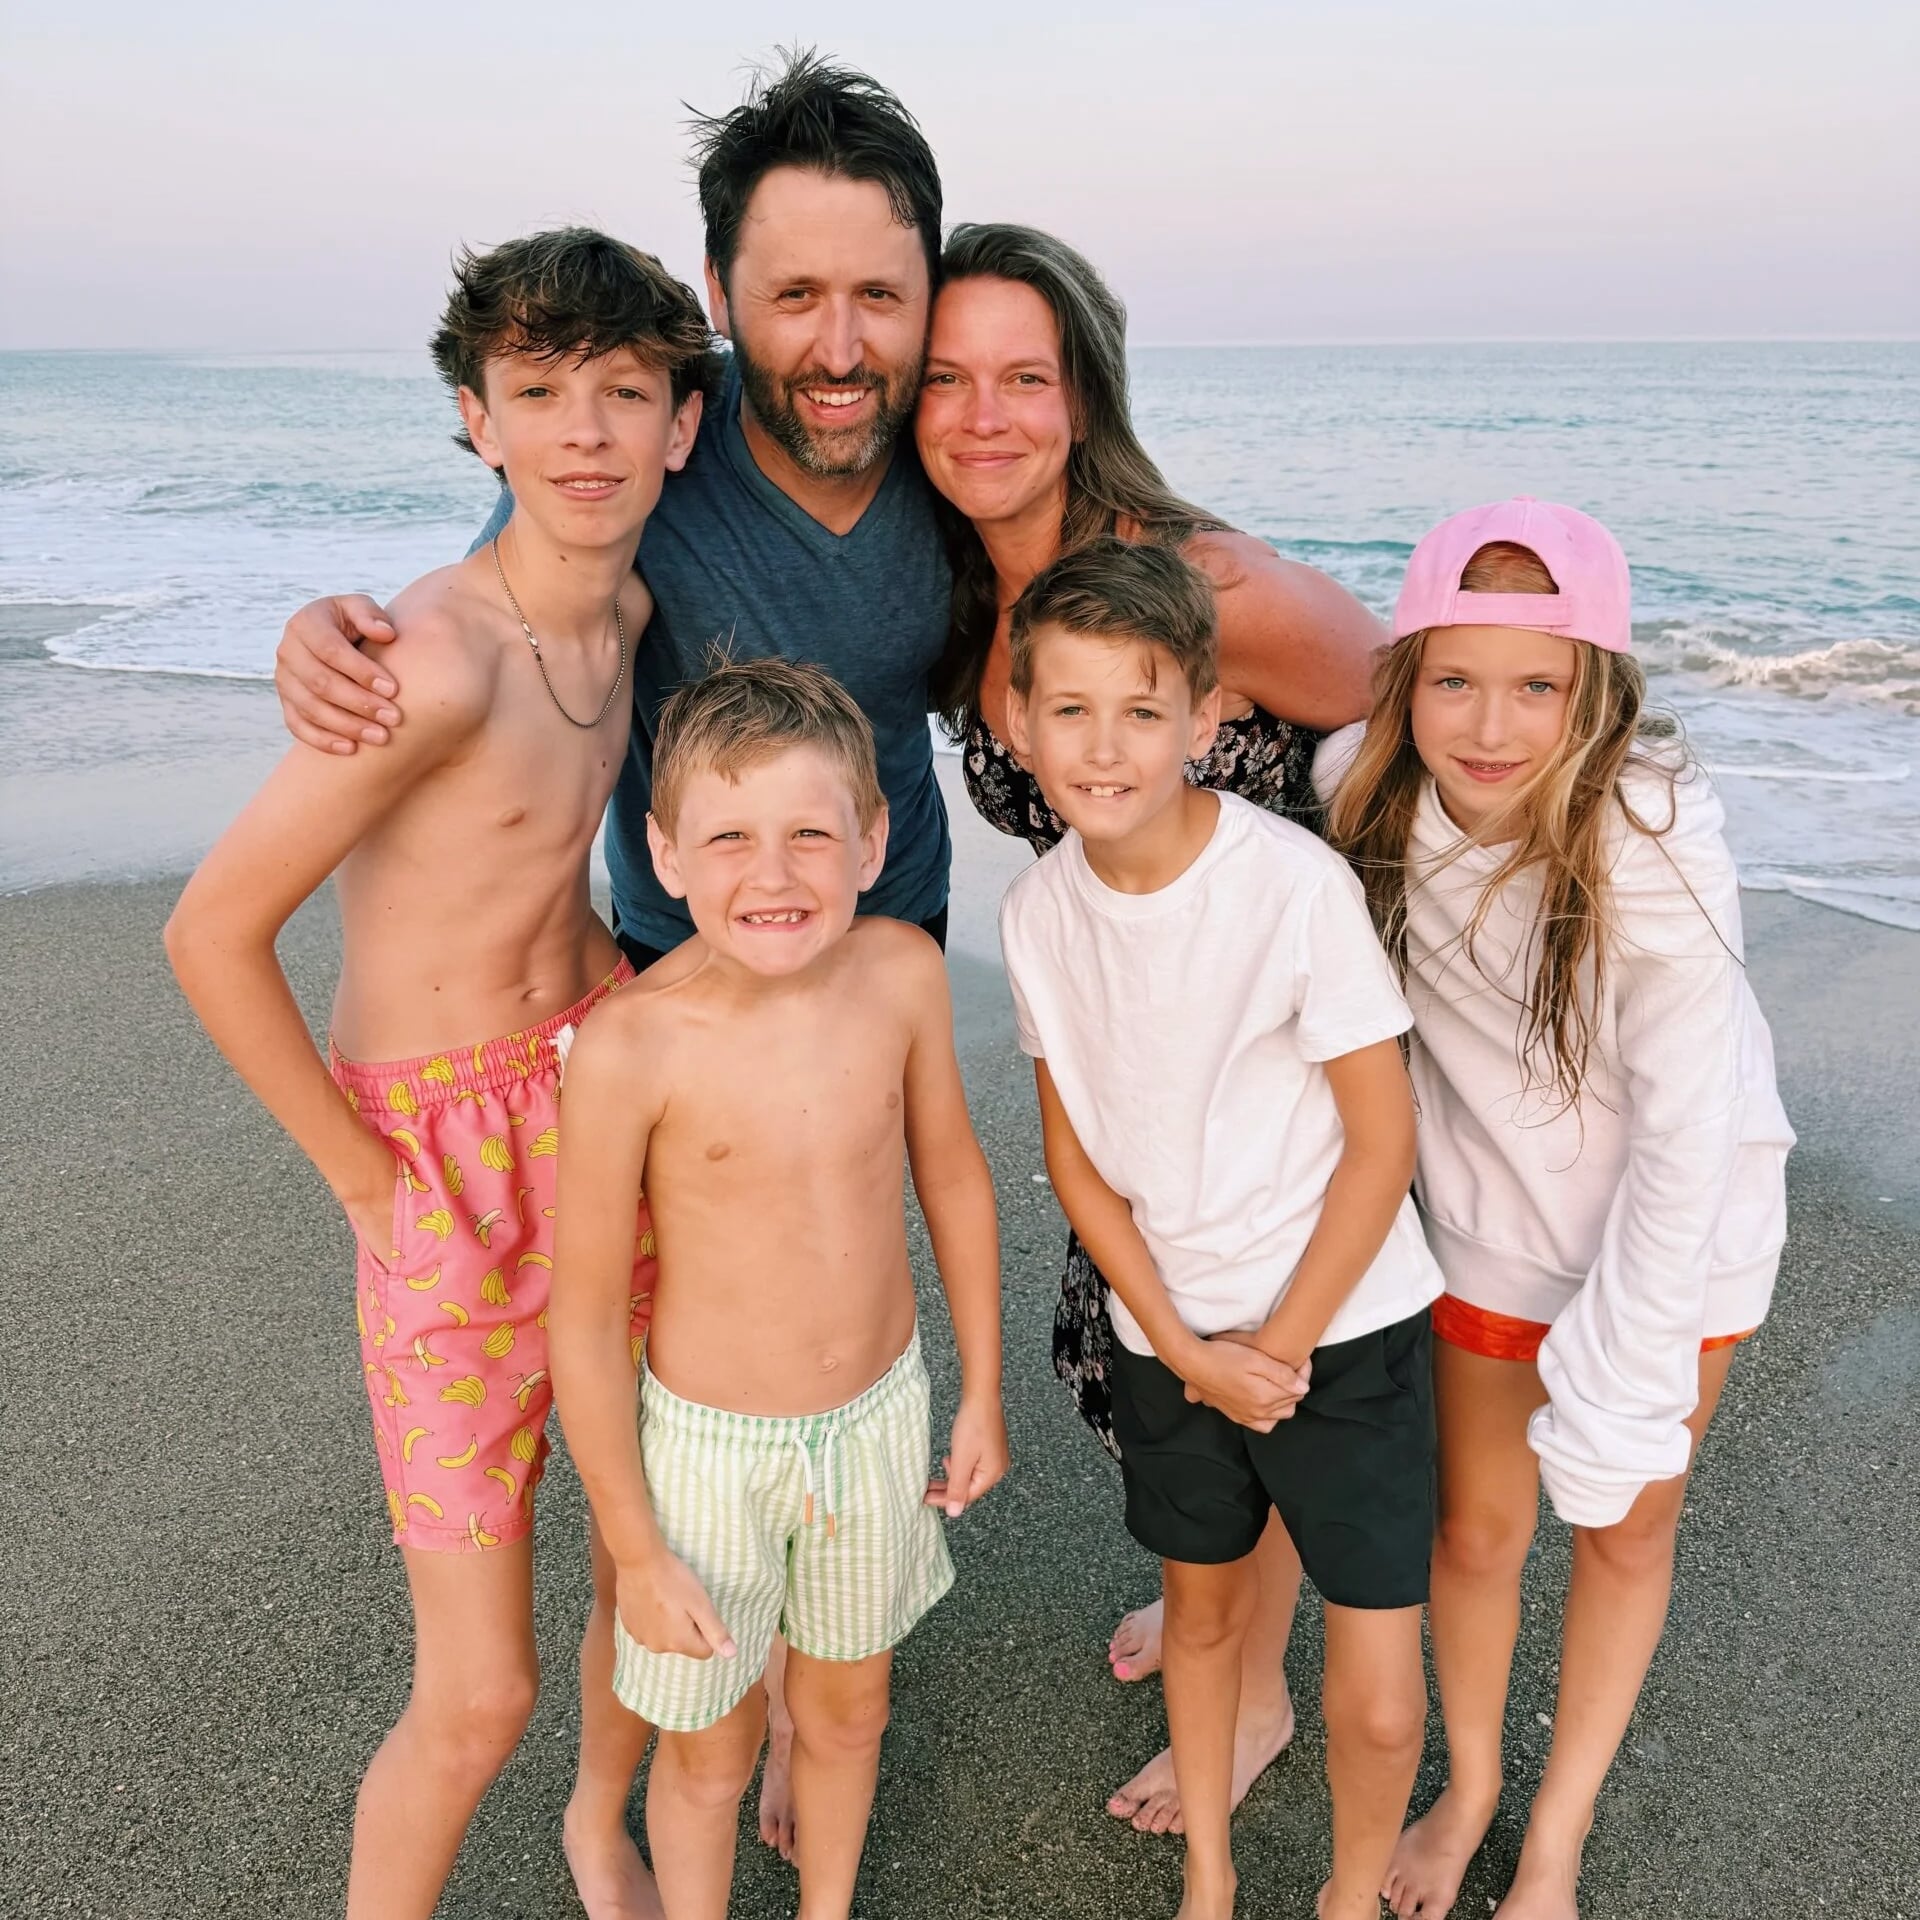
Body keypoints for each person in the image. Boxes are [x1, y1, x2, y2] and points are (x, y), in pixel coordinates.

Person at [269, 48, 954, 1859]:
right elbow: (228, 914)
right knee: (491, 1660)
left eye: (877, 295)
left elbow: (1100, 535)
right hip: (515, 1091)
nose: (838, 341)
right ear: (723, 307)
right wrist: (363, 1178)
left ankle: (655, 1782)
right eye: (791, 296)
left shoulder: (915, 456)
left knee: (704, 1442)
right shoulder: (525, 580)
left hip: (671, 1024)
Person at [164, 230, 710, 1920]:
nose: (586, 430)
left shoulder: (630, 611)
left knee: (647, 1549)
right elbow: (210, 933)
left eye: (625, 391)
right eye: (537, 393)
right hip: (437, 1165)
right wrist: (364, 1181)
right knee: (478, 1694)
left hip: (600, 1091)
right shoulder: (433, 659)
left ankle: (601, 1827)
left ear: (684, 423)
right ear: (477, 421)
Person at [918, 220, 1387, 1831]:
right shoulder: (961, 591)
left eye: (1026, 377)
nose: (985, 414)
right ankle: (1211, 1589)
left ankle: (1247, 1691)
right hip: (1126, 1020)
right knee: (1143, 1339)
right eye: (947, 378)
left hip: (1268, 1041)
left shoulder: (1203, 584)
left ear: (1086, 392)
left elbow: (1424, 697)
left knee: (1251, 1328)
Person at [1315, 499, 1794, 1920]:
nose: (1490, 726)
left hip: (1688, 1222)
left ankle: (1556, 1839)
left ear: (1597, 693)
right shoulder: (1362, 793)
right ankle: (1470, 1787)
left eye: (1538, 685)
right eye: (1453, 679)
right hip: (1496, 1218)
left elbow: (1686, 1120)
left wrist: (1631, 1359)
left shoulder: (1652, 836)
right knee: (1475, 1534)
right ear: (1404, 679)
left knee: (1626, 1528)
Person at [997, 541, 1443, 1920]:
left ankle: (1351, 1894)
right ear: (1018, 723)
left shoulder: (1291, 886)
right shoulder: (1036, 913)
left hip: (1343, 1329)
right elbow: (1076, 1163)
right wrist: (1187, 1348)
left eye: (1142, 711)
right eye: (1071, 710)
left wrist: (1278, 1348)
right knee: (1201, 1617)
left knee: (1378, 1680)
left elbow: (1383, 1142)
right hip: (1170, 1339)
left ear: (1206, 719)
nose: (1104, 747)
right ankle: (1210, 1881)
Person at [547, 656, 1007, 1920]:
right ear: (663, 854)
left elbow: (953, 1179)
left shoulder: (902, 971)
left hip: (877, 1422)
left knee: (849, 1711)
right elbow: (583, 1316)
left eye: (811, 833)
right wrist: (635, 1547)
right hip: (706, 1460)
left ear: (873, 840)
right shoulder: (629, 1044)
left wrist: (980, 1391)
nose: (774, 873)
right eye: (729, 838)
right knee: (710, 1754)